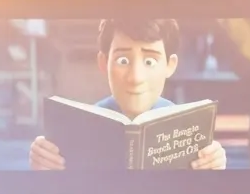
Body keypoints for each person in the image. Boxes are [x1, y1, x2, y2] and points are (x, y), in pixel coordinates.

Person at [29, 17, 227, 171]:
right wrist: (44, 162)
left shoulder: (190, 129)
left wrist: (213, 165)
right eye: (123, 60)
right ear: (103, 63)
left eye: (150, 61)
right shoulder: (79, 126)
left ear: (170, 65)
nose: (136, 77)